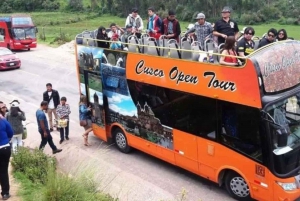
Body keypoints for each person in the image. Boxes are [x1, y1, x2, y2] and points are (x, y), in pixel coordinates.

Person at [0, 116, 13, 200]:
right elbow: (11, 133)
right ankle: (5, 193)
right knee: (3, 171)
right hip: (5, 148)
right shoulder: (3, 121)